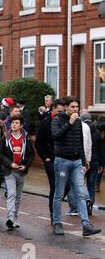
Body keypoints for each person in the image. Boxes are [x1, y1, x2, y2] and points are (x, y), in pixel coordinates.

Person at [51, 96, 101, 236]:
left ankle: (86, 224)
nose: (75, 110)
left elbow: (80, 142)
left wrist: (84, 161)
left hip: (76, 161)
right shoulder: (58, 120)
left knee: (80, 193)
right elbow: (56, 136)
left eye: (76, 107)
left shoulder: (79, 122)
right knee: (59, 193)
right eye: (72, 107)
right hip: (62, 161)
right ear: (66, 107)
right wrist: (69, 124)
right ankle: (57, 222)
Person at [0, 114, 35, 229]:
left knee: (18, 196)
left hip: (21, 171)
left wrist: (25, 165)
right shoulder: (6, 137)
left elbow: (31, 154)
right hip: (10, 171)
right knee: (12, 193)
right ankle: (10, 217)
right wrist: (9, 163)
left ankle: (15, 219)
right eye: (12, 123)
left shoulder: (26, 138)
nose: (14, 125)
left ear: (21, 125)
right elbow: (0, 153)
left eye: (16, 123)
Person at [35, 98, 67, 224]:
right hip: (51, 159)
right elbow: (38, 142)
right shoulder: (45, 123)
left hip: (65, 159)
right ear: (52, 110)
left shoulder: (67, 122)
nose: (61, 113)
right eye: (59, 111)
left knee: (67, 186)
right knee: (54, 186)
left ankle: (56, 204)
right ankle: (53, 213)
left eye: (63, 111)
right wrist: (46, 158)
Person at [80, 112, 103, 215]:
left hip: (84, 161)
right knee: (91, 184)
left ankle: (83, 205)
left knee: (81, 184)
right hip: (95, 161)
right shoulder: (97, 131)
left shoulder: (81, 129)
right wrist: (101, 164)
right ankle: (90, 206)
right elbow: (100, 149)